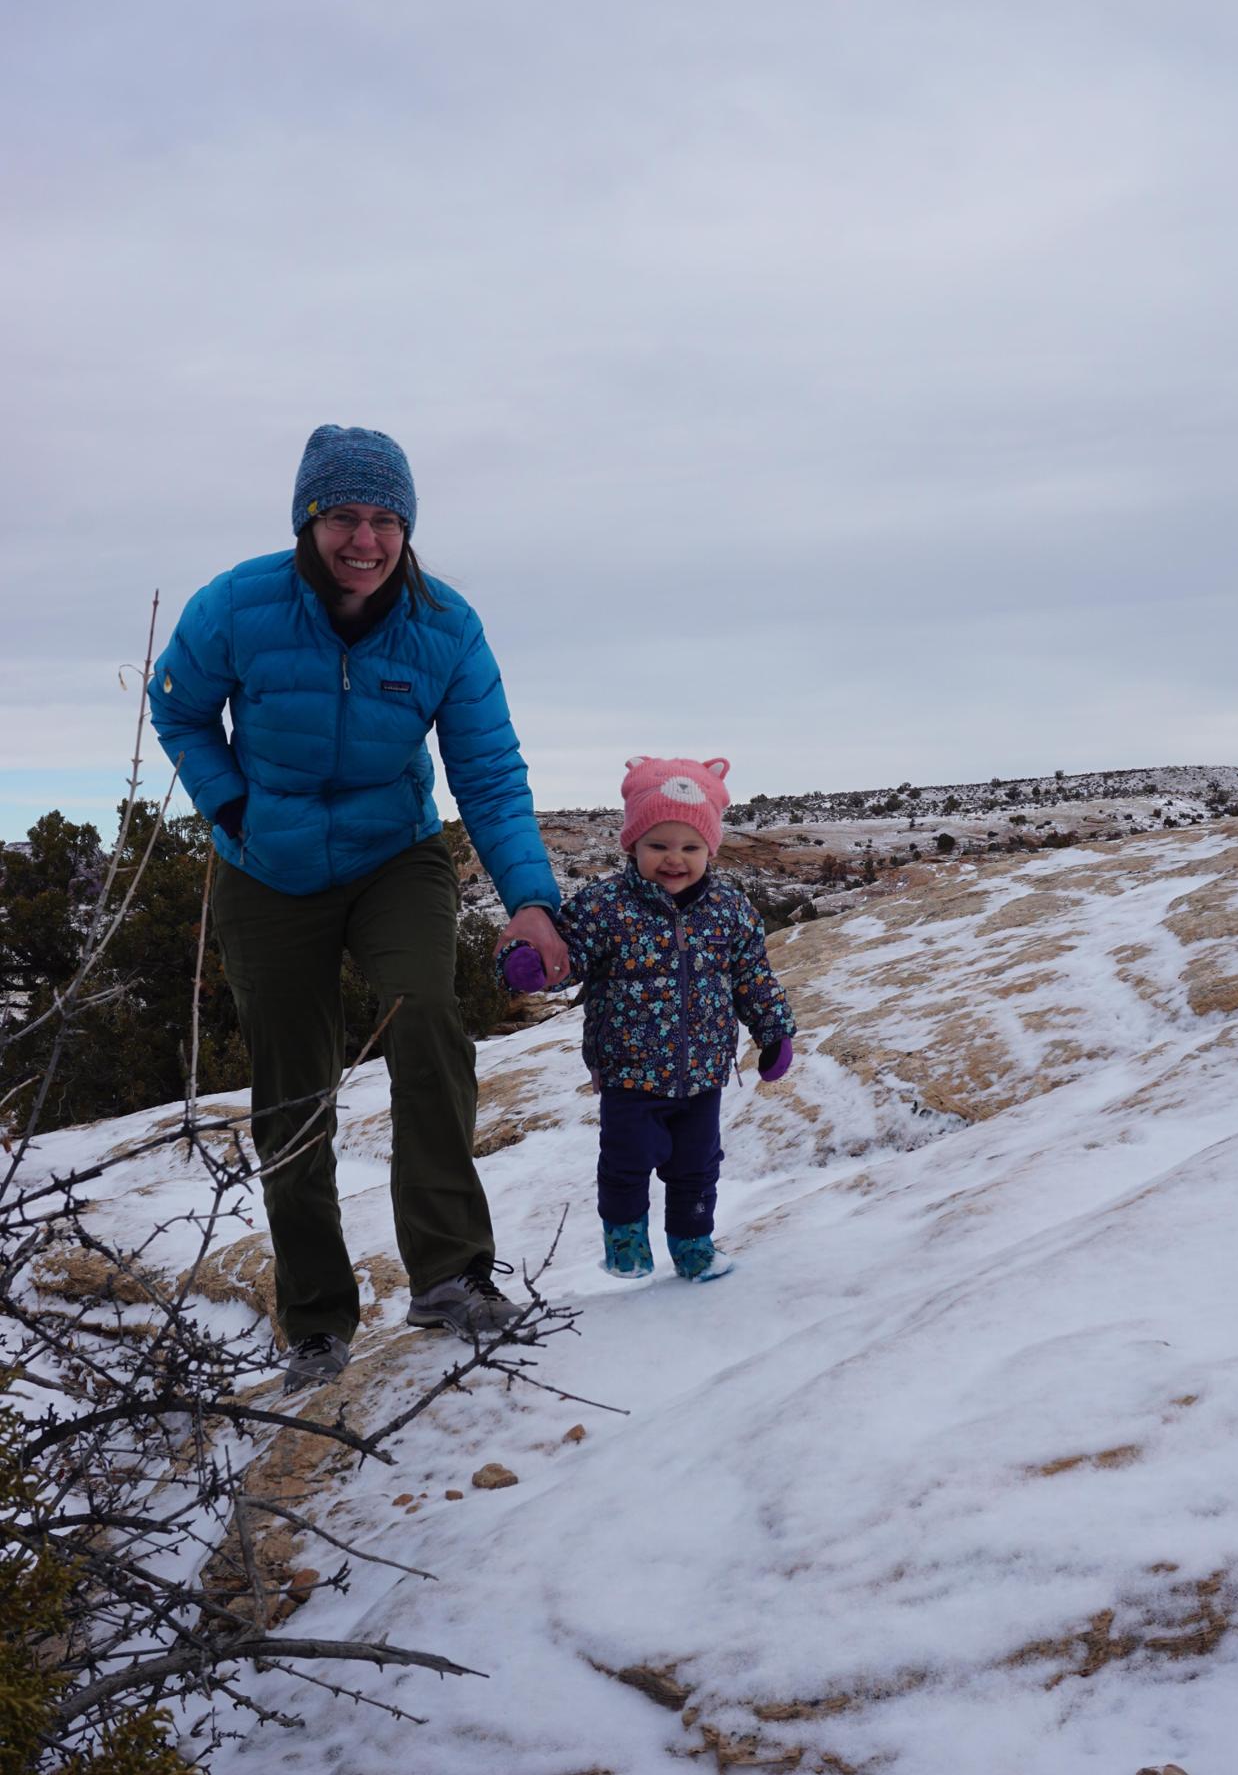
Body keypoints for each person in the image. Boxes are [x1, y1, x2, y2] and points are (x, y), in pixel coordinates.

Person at [149, 424, 569, 1392]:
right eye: (344, 516)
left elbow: (488, 771)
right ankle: (315, 1320)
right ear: (308, 519)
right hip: (266, 863)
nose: (365, 540)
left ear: (407, 527)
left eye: (386, 519)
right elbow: (177, 708)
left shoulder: (443, 624)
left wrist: (531, 900)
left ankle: (451, 1275)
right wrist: (234, 807)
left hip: (395, 854)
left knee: (424, 1017)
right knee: (293, 1087)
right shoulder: (237, 604)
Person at [500, 755, 795, 1282]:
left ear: (710, 849)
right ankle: (626, 1245)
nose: (674, 859)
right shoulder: (605, 906)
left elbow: (752, 975)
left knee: (697, 1167)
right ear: (632, 845)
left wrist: (773, 1031)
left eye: (690, 847)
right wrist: (534, 966)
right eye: (658, 845)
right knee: (626, 1161)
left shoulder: (730, 909)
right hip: (628, 1070)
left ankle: (693, 1246)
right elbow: (570, 957)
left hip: (703, 1071)